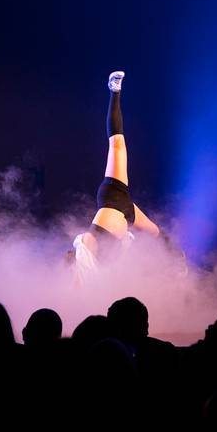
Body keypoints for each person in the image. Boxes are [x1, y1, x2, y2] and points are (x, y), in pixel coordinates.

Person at [71, 71, 164, 283]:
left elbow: (78, 280)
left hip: (112, 201)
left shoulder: (84, 262)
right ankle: (180, 265)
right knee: (156, 233)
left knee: (117, 144)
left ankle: (114, 91)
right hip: (125, 211)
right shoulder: (98, 272)